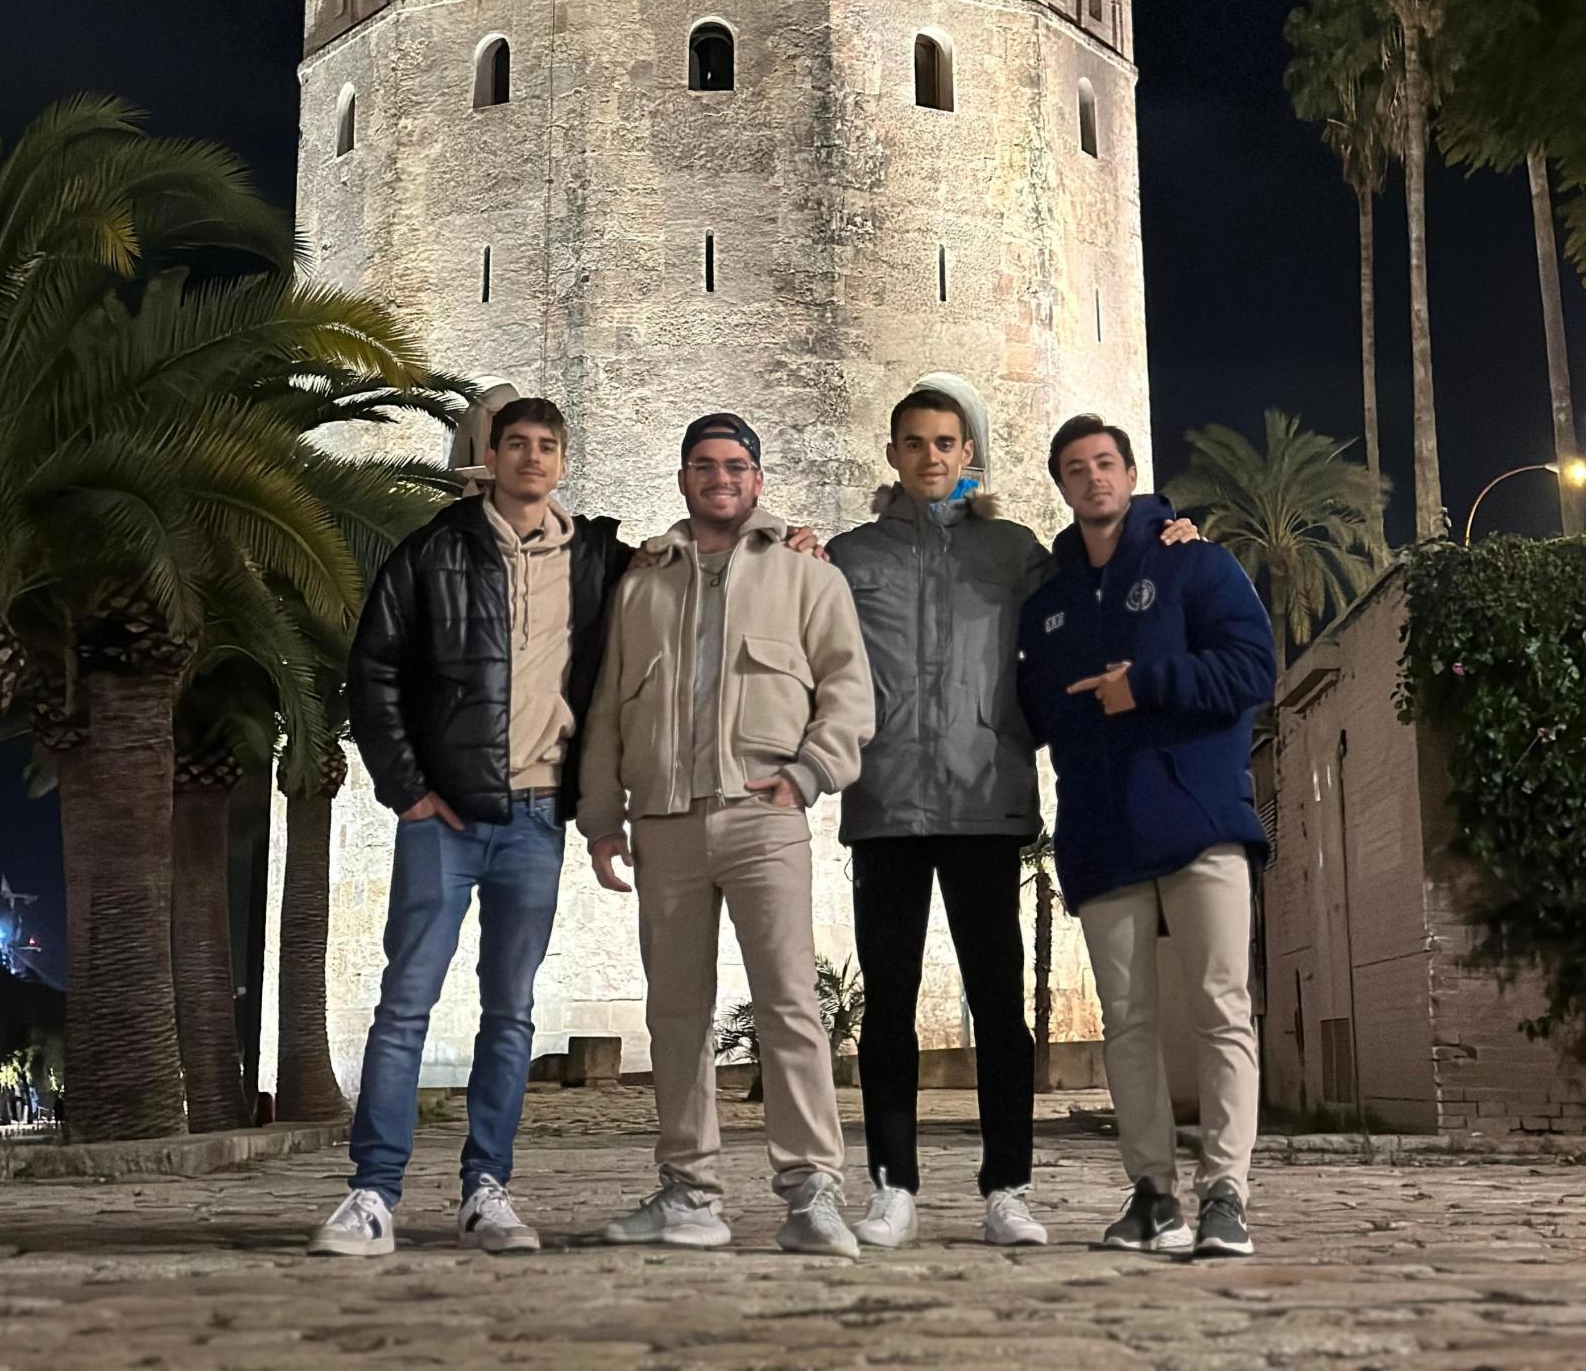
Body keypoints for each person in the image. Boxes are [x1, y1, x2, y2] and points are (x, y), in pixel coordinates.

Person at [827, 389, 1199, 1251]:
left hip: (985, 802)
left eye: (946, 444)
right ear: (892, 455)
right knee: (888, 1006)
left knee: (999, 1008)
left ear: (968, 457)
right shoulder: (851, 556)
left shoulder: (1015, 552)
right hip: (884, 805)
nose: (931, 457)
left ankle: (1008, 1189)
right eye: (915, 444)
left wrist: (1166, 529)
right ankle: (893, 1188)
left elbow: (1098, 575)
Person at [308, 396, 634, 1258]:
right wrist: (409, 791)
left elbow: (697, 561)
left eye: (547, 446)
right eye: (517, 444)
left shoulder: (597, 561)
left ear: (563, 461)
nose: (532, 458)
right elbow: (372, 669)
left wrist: (785, 532)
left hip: (536, 819)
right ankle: (372, 1193)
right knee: (405, 1005)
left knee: (511, 1012)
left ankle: (486, 1189)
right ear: (491, 456)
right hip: (444, 821)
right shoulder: (433, 550)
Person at [580, 413, 875, 1259]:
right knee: (675, 1015)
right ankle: (689, 1193)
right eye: (705, 465)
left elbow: (850, 696)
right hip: (665, 822)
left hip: (764, 818)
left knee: (789, 1008)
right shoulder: (641, 584)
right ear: (682, 478)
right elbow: (606, 712)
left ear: (758, 479)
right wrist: (602, 820)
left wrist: (808, 773)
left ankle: (812, 1192)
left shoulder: (808, 577)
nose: (721, 478)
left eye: (737, 465)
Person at [1017, 414, 1274, 1260]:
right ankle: (1153, 1194)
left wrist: (1149, 682)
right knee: (1127, 1023)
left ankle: (1226, 1193)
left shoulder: (1192, 561)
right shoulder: (1049, 605)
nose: (1093, 480)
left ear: (1130, 475)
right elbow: (1032, 712)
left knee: (1221, 1008)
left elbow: (1253, 669)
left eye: (1105, 465)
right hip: (1102, 832)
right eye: (1076, 469)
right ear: (1060, 484)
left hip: (1201, 824)